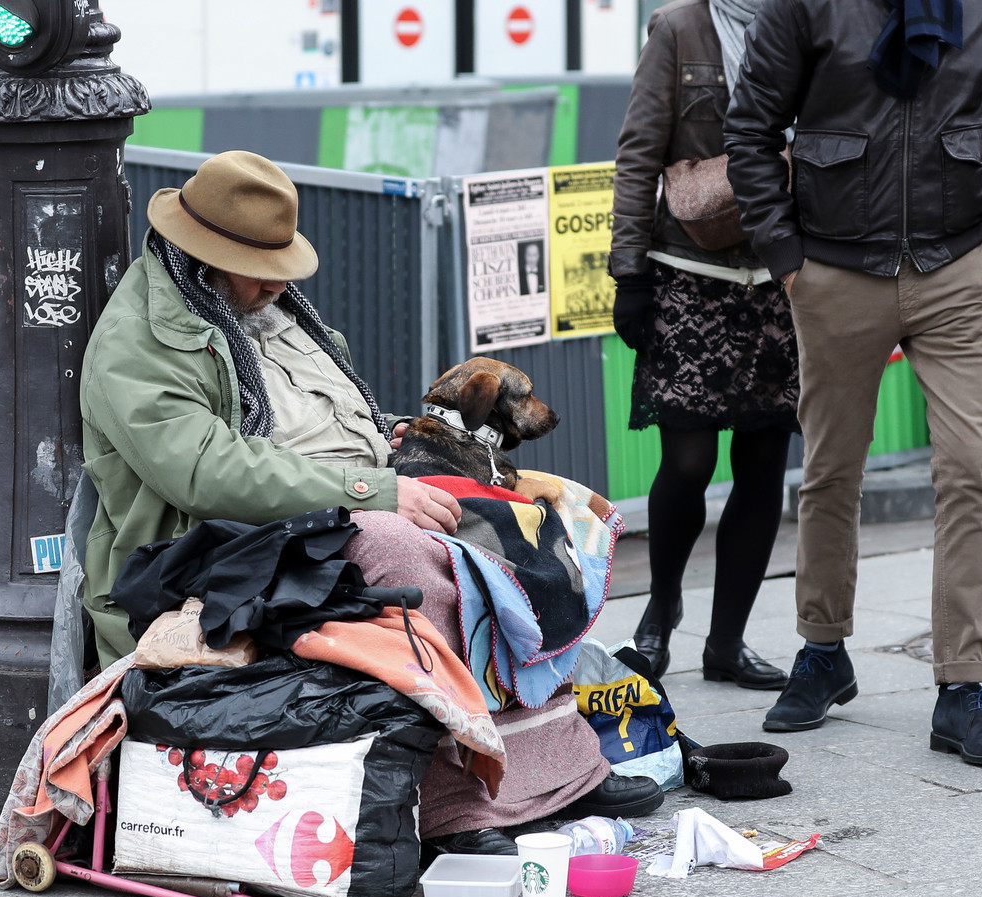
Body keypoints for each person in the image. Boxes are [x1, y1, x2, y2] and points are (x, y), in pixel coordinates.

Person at [80, 150, 664, 858]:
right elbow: (205, 473)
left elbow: (328, 412)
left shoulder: (257, 299)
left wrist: (395, 443)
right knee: (412, 560)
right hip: (219, 540)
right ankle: (453, 803)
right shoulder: (137, 340)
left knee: (538, 525)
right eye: (259, 266)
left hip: (338, 495)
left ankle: (562, 769)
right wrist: (372, 489)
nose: (275, 282)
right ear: (204, 253)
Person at [724, 0, 982, 759]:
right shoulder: (802, 6)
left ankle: (962, 681)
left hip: (960, 265)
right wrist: (787, 260)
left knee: (974, 465)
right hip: (834, 269)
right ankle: (821, 650)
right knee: (831, 469)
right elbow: (748, 131)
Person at [609, 0, 799, 689]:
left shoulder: (807, 19)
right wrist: (628, 271)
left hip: (780, 275)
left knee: (762, 464)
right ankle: (659, 614)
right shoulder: (680, 26)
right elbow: (638, 152)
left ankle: (727, 641)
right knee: (686, 462)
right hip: (687, 274)